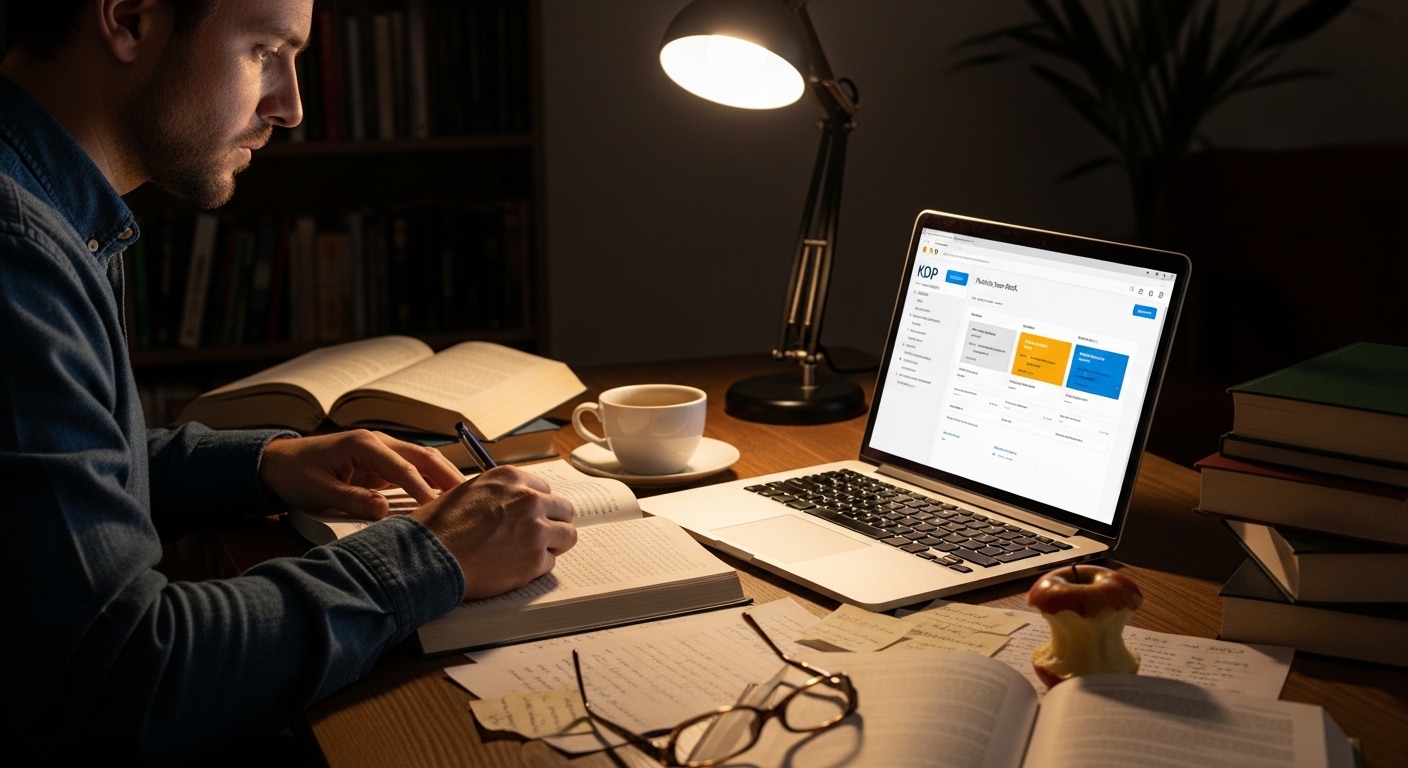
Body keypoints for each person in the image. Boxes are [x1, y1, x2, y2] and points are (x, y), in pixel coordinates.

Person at [0, 0, 578, 761]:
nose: (291, 106)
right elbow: (124, 675)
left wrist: (262, 463)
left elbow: (45, 492)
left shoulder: (52, 202)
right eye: (264, 49)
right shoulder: (17, 252)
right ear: (132, 18)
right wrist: (430, 558)